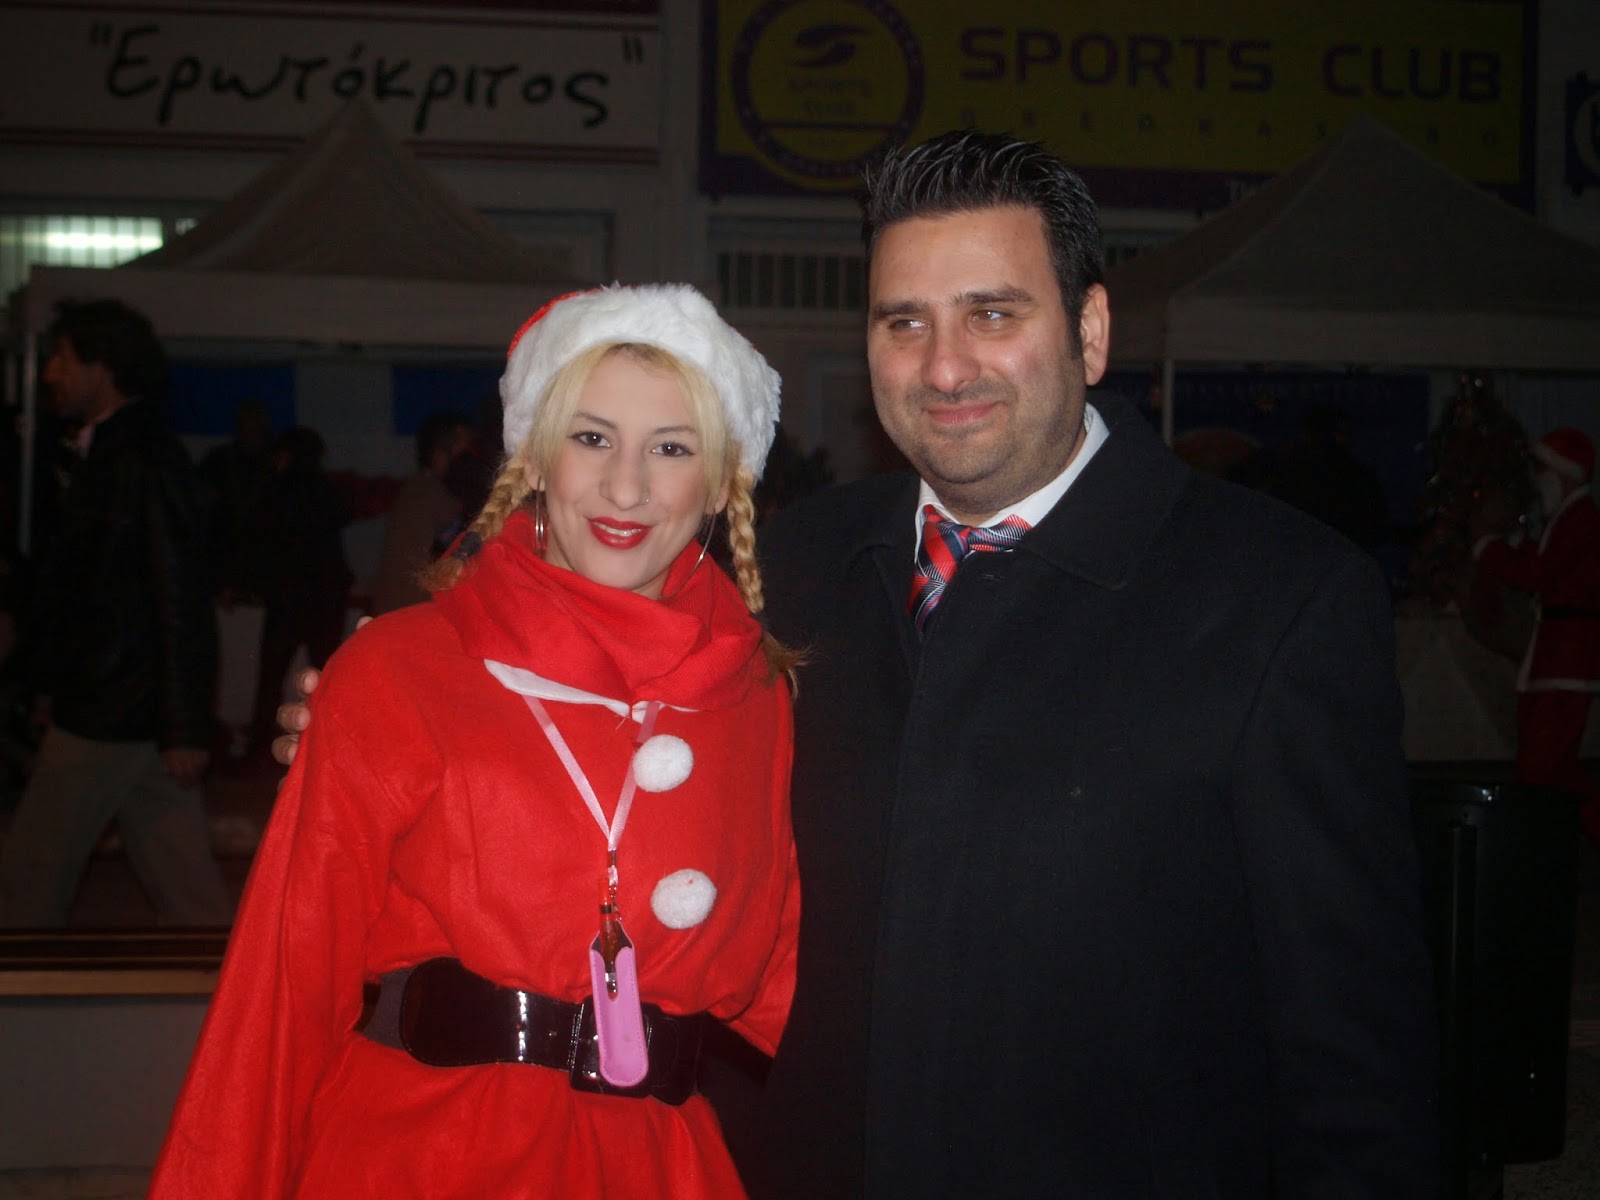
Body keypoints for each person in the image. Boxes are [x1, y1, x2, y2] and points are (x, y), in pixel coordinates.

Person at [278, 133, 1440, 1196]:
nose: (944, 366)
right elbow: (574, 666)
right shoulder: (786, 571)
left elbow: (1355, 1056)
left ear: (1090, 332)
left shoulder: (1276, 600)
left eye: (992, 314)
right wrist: (377, 701)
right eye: (903, 322)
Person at [151, 284, 800, 1199]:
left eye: (671, 447)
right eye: (591, 437)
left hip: (657, 1167)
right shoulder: (401, 667)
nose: (625, 487)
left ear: (722, 481)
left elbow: (794, 983)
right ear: (533, 456)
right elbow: (283, 984)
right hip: (429, 1155)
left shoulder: (758, 697)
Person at [0, 299, 229, 927]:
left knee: (27, 880)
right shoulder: (109, 453)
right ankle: (236, 979)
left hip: (109, 710)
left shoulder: (140, 460)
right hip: (121, 706)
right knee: (187, 888)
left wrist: (185, 726)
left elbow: (178, 595)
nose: (51, 371)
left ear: (102, 367)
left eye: (62, 357)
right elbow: (87, 591)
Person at [1474, 427, 1600, 847]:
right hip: (1556, 654)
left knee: (1543, 764)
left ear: (1562, 474)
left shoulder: (1580, 520)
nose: (1538, 479)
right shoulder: (1569, 519)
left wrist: (1490, 550)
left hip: (1567, 658)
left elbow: (1542, 575)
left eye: (1543, 469)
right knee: (1546, 764)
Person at [370, 410, 471, 614]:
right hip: (411, 609)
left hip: (401, 608)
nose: (470, 458)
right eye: (464, 449)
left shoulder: (419, 487)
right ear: (440, 452)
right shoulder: (431, 494)